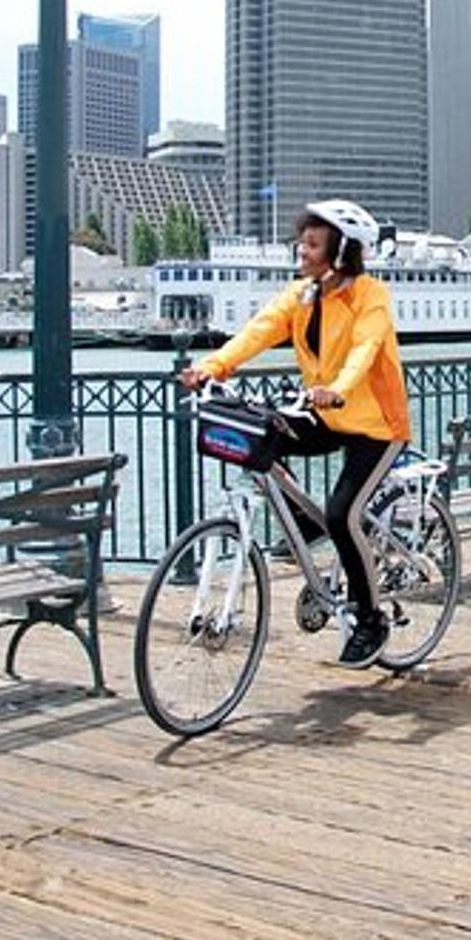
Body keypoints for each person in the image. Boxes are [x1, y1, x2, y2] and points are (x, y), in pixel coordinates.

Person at [180, 199, 411, 668]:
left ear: (341, 250)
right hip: (324, 413)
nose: (301, 251)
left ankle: (370, 620)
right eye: (301, 241)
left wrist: (338, 388)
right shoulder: (303, 294)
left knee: (345, 514)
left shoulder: (370, 294)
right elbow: (259, 330)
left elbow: (365, 348)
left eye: (312, 243)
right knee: (265, 439)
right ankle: (306, 520)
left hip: (376, 424)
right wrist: (213, 366)